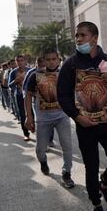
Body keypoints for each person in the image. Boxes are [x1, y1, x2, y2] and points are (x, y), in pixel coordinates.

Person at [57, 21, 107, 211]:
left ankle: (105, 184)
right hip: (85, 125)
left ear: (94, 38)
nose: (78, 39)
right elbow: (63, 96)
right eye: (77, 36)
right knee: (91, 166)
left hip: (106, 122)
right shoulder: (70, 65)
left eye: (82, 35)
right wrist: (78, 117)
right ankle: (96, 205)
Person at [25, 49, 74, 187]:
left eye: (54, 59)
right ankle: (43, 162)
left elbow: (75, 92)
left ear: (58, 60)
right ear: (43, 61)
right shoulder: (35, 75)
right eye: (48, 59)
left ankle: (67, 173)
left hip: (62, 117)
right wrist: (29, 117)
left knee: (67, 146)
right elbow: (28, 96)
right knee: (40, 150)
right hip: (43, 119)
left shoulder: (65, 75)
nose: (52, 62)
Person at [8, 55, 31, 141]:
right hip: (19, 96)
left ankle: (33, 127)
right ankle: (26, 134)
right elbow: (9, 85)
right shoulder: (13, 72)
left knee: (32, 114)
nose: (20, 62)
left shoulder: (30, 71)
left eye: (22, 60)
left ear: (25, 61)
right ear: (16, 62)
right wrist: (16, 81)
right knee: (22, 115)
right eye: (18, 61)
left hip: (30, 96)